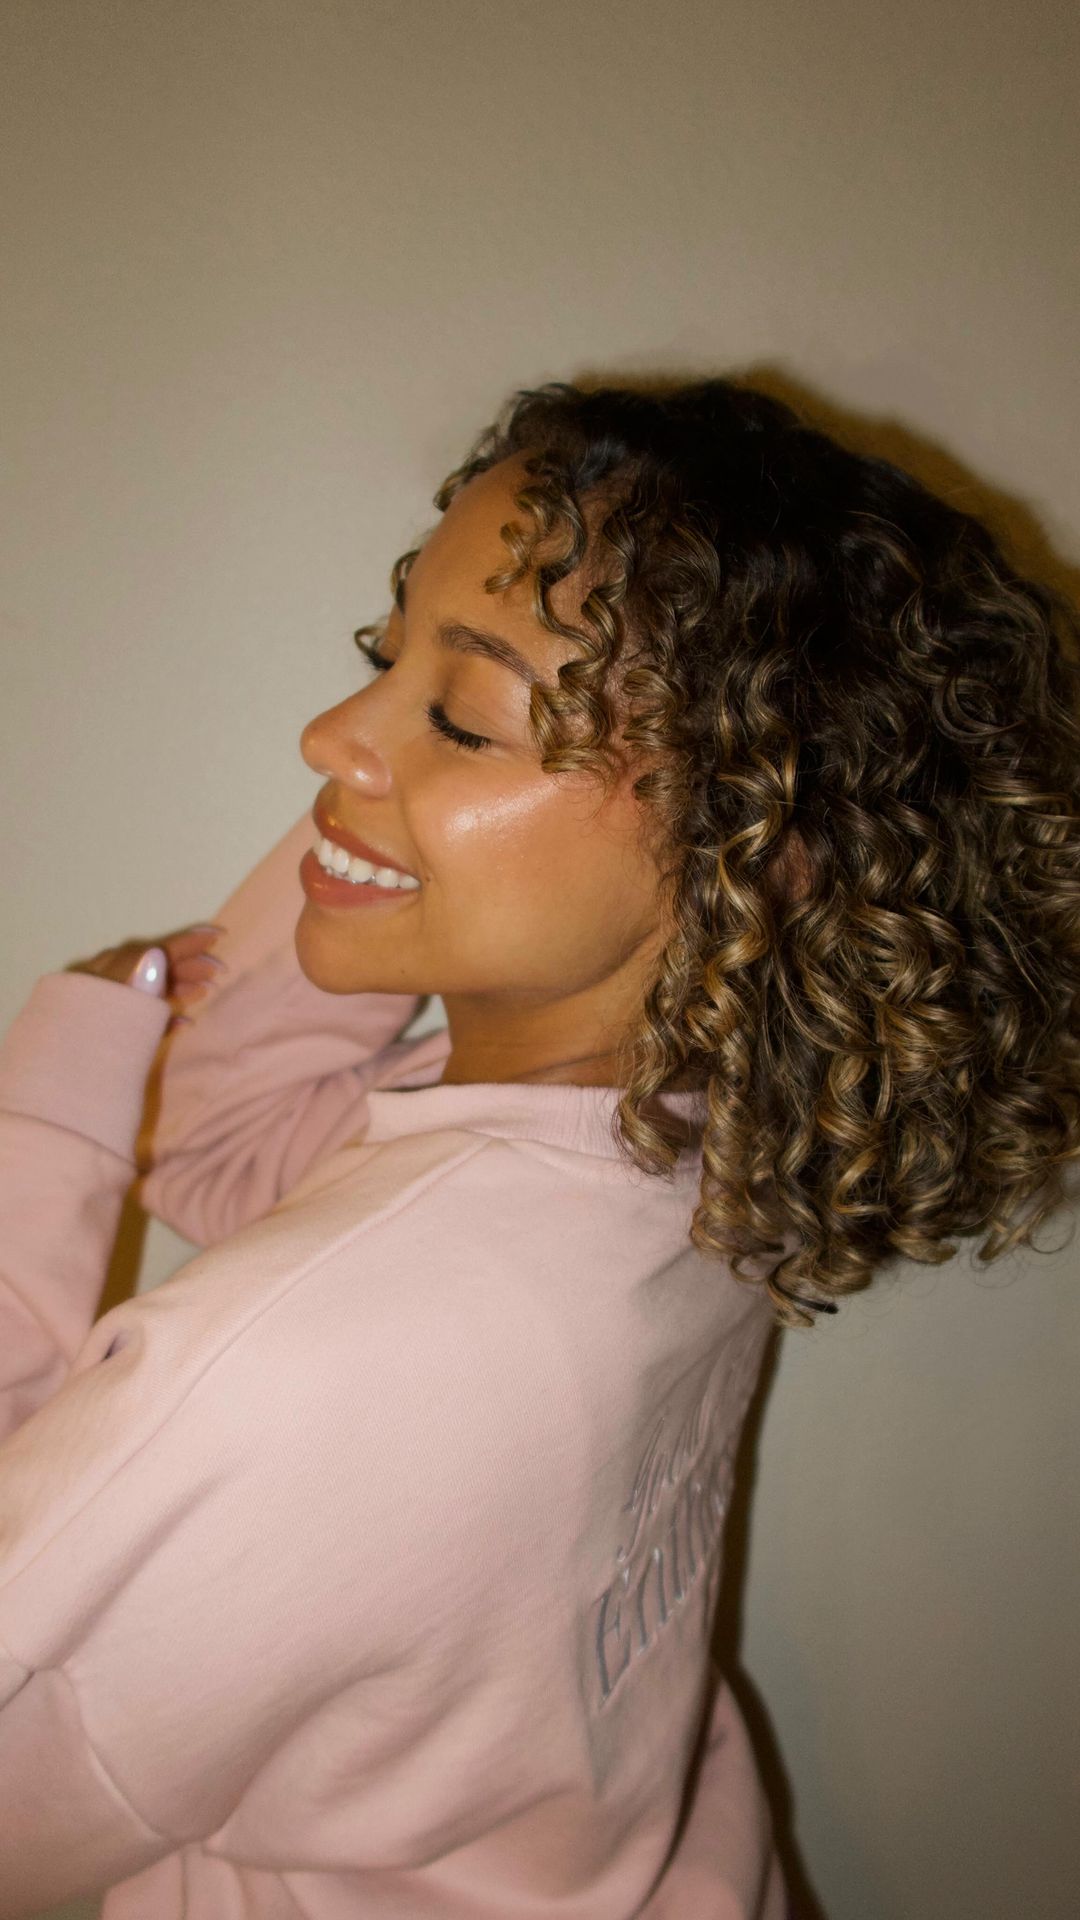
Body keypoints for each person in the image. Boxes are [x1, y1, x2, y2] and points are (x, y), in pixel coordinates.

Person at [1, 378, 1078, 1920]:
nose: (324, 732)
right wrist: (381, 815)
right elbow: (225, 1138)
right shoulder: (693, 1135)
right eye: (380, 658)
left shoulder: (296, 1365)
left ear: (758, 845)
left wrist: (38, 1132)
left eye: (466, 715)